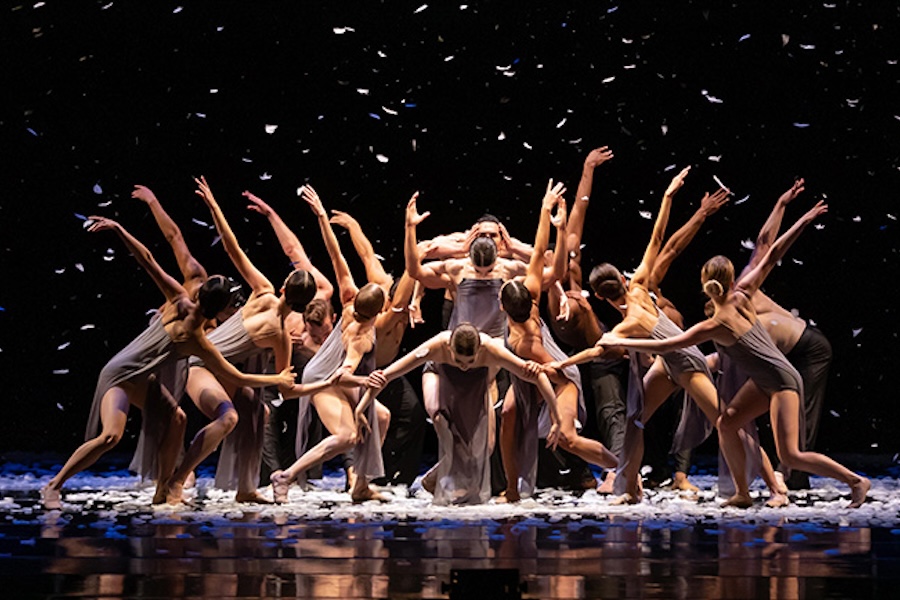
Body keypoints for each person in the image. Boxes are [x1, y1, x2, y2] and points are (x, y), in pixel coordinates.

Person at [599, 200, 870, 508]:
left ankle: (855, 481)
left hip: (782, 381)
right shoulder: (742, 296)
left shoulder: (715, 324)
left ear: (704, 283)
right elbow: (771, 254)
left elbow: (664, 346)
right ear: (729, 280)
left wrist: (618, 342)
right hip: (764, 379)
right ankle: (742, 493)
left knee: (791, 454)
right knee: (727, 423)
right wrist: (803, 220)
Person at [40, 215, 295, 509]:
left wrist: (120, 229)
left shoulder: (187, 314)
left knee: (178, 419)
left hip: (142, 380)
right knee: (111, 435)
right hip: (120, 374)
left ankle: (163, 490)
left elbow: (148, 259)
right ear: (223, 309)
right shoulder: (186, 319)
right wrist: (276, 380)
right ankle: (54, 486)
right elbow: (237, 377)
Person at [169, 177, 323, 505]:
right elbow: (287, 388)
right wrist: (325, 384)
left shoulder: (262, 290)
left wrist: (213, 205)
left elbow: (232, 247)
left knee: (257, 408)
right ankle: (177, 480)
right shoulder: (281, 337)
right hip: (197, 366)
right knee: (230, 418)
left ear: (284, 288)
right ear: (302, 305)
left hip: (214, 367)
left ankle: (246, 488)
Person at [584, 166, 721, 503]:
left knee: (720, 418)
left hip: (681, 356)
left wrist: (698, 213)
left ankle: (682, 475)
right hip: (661, 365)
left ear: (600, 295)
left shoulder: (644, 284)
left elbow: (670, 245)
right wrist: (669, 195)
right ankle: (632, 486)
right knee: (636, 421)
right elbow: (661, 239)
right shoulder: (628, 308)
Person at [270, 185, 388, 504]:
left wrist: (322, 215)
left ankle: (361, 485)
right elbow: (342, 377)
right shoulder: (360, 336)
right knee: (347, 435)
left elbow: (335, 253)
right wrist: (366, 380)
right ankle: (285, 476)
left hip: (334, 371)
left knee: (381, 417)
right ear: (377, 312)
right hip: (322, 377)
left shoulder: (349, 295)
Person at [499, 180, 615, 501]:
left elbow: (555, 375)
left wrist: (552, 415)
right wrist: (550, 217)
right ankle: (511, 487)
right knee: (508, 415)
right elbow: (541, 252)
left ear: (502, 308)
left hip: (561, 379)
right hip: (531, 377)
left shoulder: (527, 345)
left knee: (567, 439)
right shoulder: (532, 291)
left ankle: (622, 470)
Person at [363, 322, 558, 505]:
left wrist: (556, 418)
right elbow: (388, 375)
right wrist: (362, 404)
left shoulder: (491, 350)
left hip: (473, 386)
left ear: (479, 351)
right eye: (459, 360)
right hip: (438, 376)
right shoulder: (438, 345)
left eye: (470, 361)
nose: (464, 366)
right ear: (450, 349)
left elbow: (537, 375)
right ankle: (437, 477)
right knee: (442, 420)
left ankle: (433, 477)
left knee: (486, 447)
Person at [545, 146, 626, 493]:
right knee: (567, 418)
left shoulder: (571, 242)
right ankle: (580, 474)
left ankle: (619, 470)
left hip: (597, 341)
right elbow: (550, 281)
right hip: (566, 347)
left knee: (611, 408)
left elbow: (581, 204)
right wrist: (562, 295)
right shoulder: (545, 262)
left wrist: (588, 167)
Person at [744, 178, 833, 490]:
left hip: (809, 348)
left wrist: (796, 215)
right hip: (785, 355)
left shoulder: (742, 291)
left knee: (801, 411)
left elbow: (767, 248)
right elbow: (763, 244)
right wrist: (781, 203)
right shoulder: (724, 309)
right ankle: (782, 469)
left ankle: (795, 477)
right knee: (777, 410)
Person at [329, 205, 428, 487]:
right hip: (366, 371)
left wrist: (352, 225)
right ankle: (361, 475)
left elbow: (367, 253)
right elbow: (412, 272)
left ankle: (397, 477)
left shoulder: (387, 285)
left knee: (414, 416)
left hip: (388, 372)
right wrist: (418, 246)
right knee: (367, 420)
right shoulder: (383, 319)